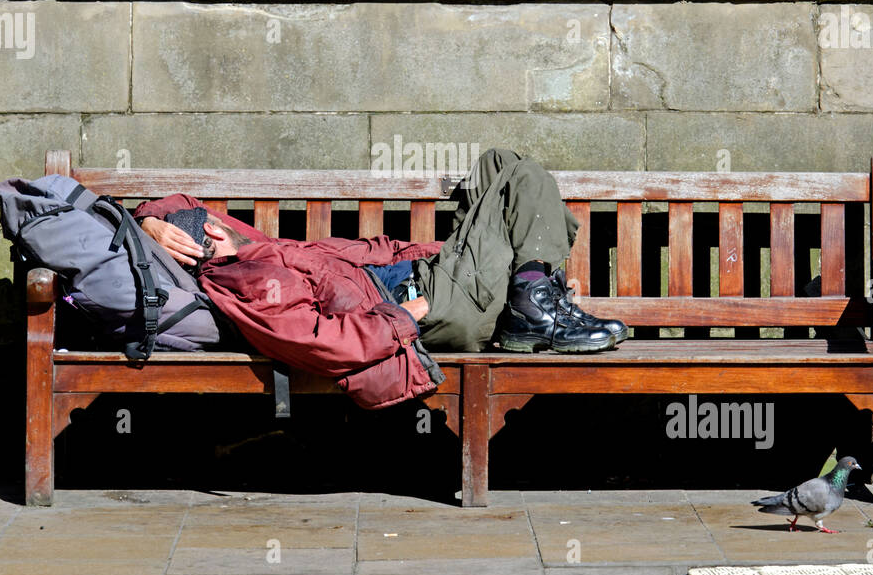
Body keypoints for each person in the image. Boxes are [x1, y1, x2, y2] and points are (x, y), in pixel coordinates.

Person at [132, 148, 626, 411]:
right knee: (523, 176)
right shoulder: (249, 279)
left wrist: (148, 219)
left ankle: (530, 297)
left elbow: (182, 205)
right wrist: (404, 316)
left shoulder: (257, 253)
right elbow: (322, 344)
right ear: (217, 230)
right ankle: (536, 301)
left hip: (436, 277)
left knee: (499, 163)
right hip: (431, 305)